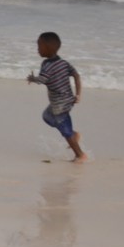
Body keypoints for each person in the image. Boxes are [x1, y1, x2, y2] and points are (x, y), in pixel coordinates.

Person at [27, 31, 85, 162]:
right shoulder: (63, 63)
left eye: (39, 46)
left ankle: (80, 155)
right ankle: (73, 134)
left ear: (47, 47)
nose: (37, 49)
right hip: (64, 101)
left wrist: (33, 78)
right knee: (47, 116)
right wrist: (78, 94)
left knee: (65, 129)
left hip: (60, 104)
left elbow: (43, 79)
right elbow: (76, 75)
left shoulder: (47, 66)